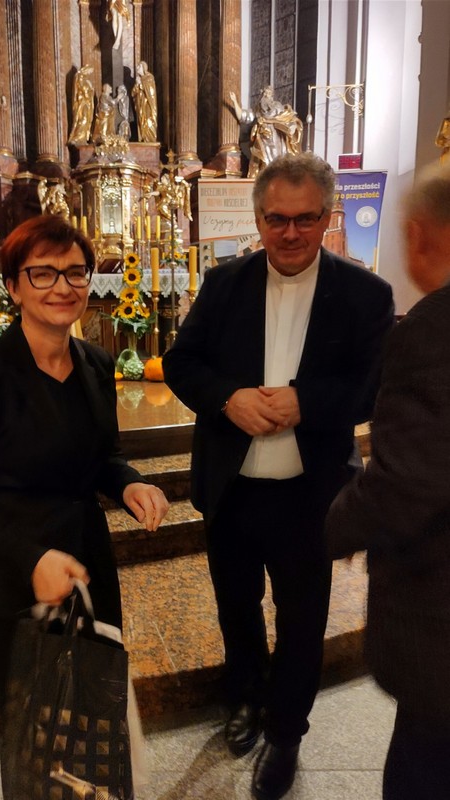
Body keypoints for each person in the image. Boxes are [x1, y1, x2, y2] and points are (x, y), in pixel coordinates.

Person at [162, 152, 394, 800]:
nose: (290, 233)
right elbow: (180, 363)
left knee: (301, 621)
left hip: (309, 495)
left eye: (305, 219)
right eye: (276, 220)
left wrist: (305, 402)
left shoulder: (366, 294)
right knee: (236, 608)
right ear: (259, 218)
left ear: (328, 216)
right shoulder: (223, 283)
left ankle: (287, 732)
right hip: (232, 488)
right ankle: (243, 698)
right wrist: (227, 398)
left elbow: (376, 387)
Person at [0, 214, 169, 712]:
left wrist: (129, 484)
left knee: (95, 713)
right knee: (33, 728)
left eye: (75, 272)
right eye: (43, 273)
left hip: (88, 570)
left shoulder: (96, 363)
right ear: (14, 287)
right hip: (9, 582)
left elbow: (105, 456)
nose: (62, 287)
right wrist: (33, 559)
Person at [326, 162, 450, 800]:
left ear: (420, 235)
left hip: (440, 623)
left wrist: (334, 526)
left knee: (422, 772)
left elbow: (408, 483)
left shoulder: (432, 332)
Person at [230, 87, 303, 179]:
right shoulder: (257, 109)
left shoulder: (278, 107)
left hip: (277, 140)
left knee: (278, 164)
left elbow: (287, 119)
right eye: (264, 94)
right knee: (264, 163)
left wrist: (291, 127)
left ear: (272, 96)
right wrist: (234, 101)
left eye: (268, 94)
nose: (266, 96)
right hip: (262, 139)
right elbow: (243, 116)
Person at [68, 65, 95, 145]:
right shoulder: (80, 77)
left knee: (86, 119)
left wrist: (91, 89)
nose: (90, 73)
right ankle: (77, 137)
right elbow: (82, 89)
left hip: (87, 103)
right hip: (82, 102)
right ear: (86, 70)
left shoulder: (86, 80)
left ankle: (82, 138)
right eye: (90, 71)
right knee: (83, 118)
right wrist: (90, 89)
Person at [132, 61, 157, 143]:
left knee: (148, 120)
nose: (137, 68)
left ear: (143, 67)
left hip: (148, 104)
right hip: (140, 105)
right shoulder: (139, 79)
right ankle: (143, 138)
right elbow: (133, 93)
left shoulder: (149, 77)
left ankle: (150, 139)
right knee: (141, 120)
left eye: (138, 67)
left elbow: (151, 92)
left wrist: (140, 84)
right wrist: (137, 84)